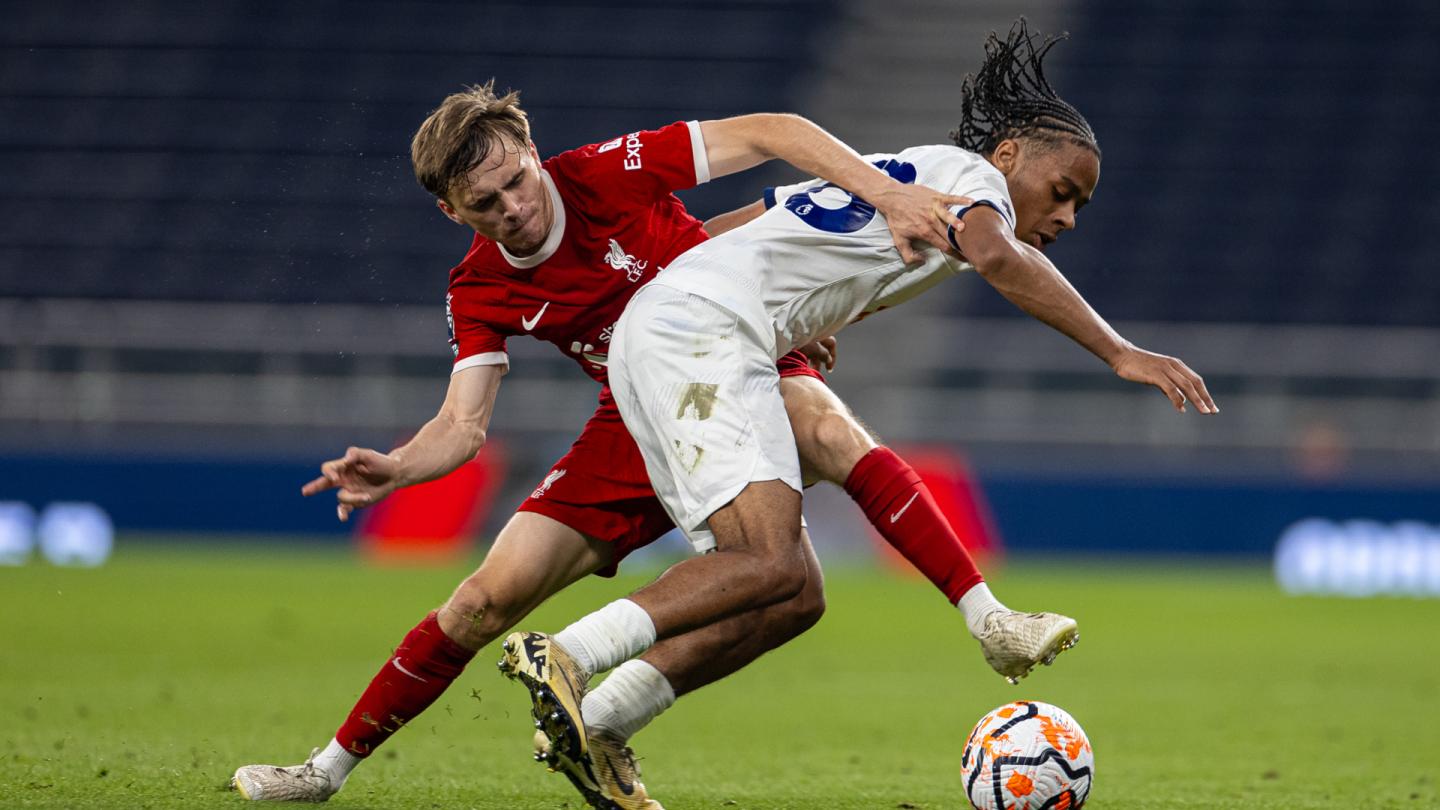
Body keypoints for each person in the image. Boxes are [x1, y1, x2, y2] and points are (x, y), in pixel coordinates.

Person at [231, 76, 1073, 806]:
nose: (515, 210)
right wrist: (401, 466)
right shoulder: (479, 285)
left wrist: (853, 227)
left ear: (533, 150)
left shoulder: (605, 171)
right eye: (484, 206)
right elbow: (462, 424)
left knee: (800, 566)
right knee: (484, 600)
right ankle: (325, 770)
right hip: (631, 419)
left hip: (730, 357)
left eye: (517, 182)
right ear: (450, 211)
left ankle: (605, 720)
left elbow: (770, 135)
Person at [502, 17, 1219, 808]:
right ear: (1009, 156)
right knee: (767, 560)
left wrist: (796, 311)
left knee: (792, 594)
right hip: (702, 337)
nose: (1070, 218)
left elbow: (736, 225)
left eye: (1079, 205)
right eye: (1063, 192)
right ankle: (565, 654)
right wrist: (1118, 349)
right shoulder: (973, 185)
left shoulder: (895, 171)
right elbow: (997, 257)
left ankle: (598, 722)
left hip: (688, 331)